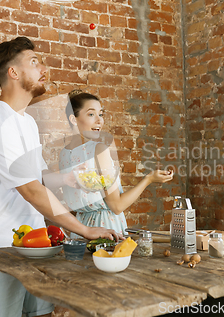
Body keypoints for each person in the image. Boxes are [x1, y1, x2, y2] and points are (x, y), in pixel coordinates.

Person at [0, 37, 122, 317]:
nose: (43, 68)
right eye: (34, 62)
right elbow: (32, 191)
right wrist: (85, 230)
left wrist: (68, 177)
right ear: (14, 73)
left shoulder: (24, 121)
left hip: (36, 244)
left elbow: (39, 176)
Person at [59, 90, 174, 238]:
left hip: (79, 229)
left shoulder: (64, 153)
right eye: (91, 114)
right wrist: (149, 179)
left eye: (101, 114)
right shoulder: (98, 149)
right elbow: (117, 206)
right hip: (106, 229)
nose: (99, 120)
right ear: (73, 119)